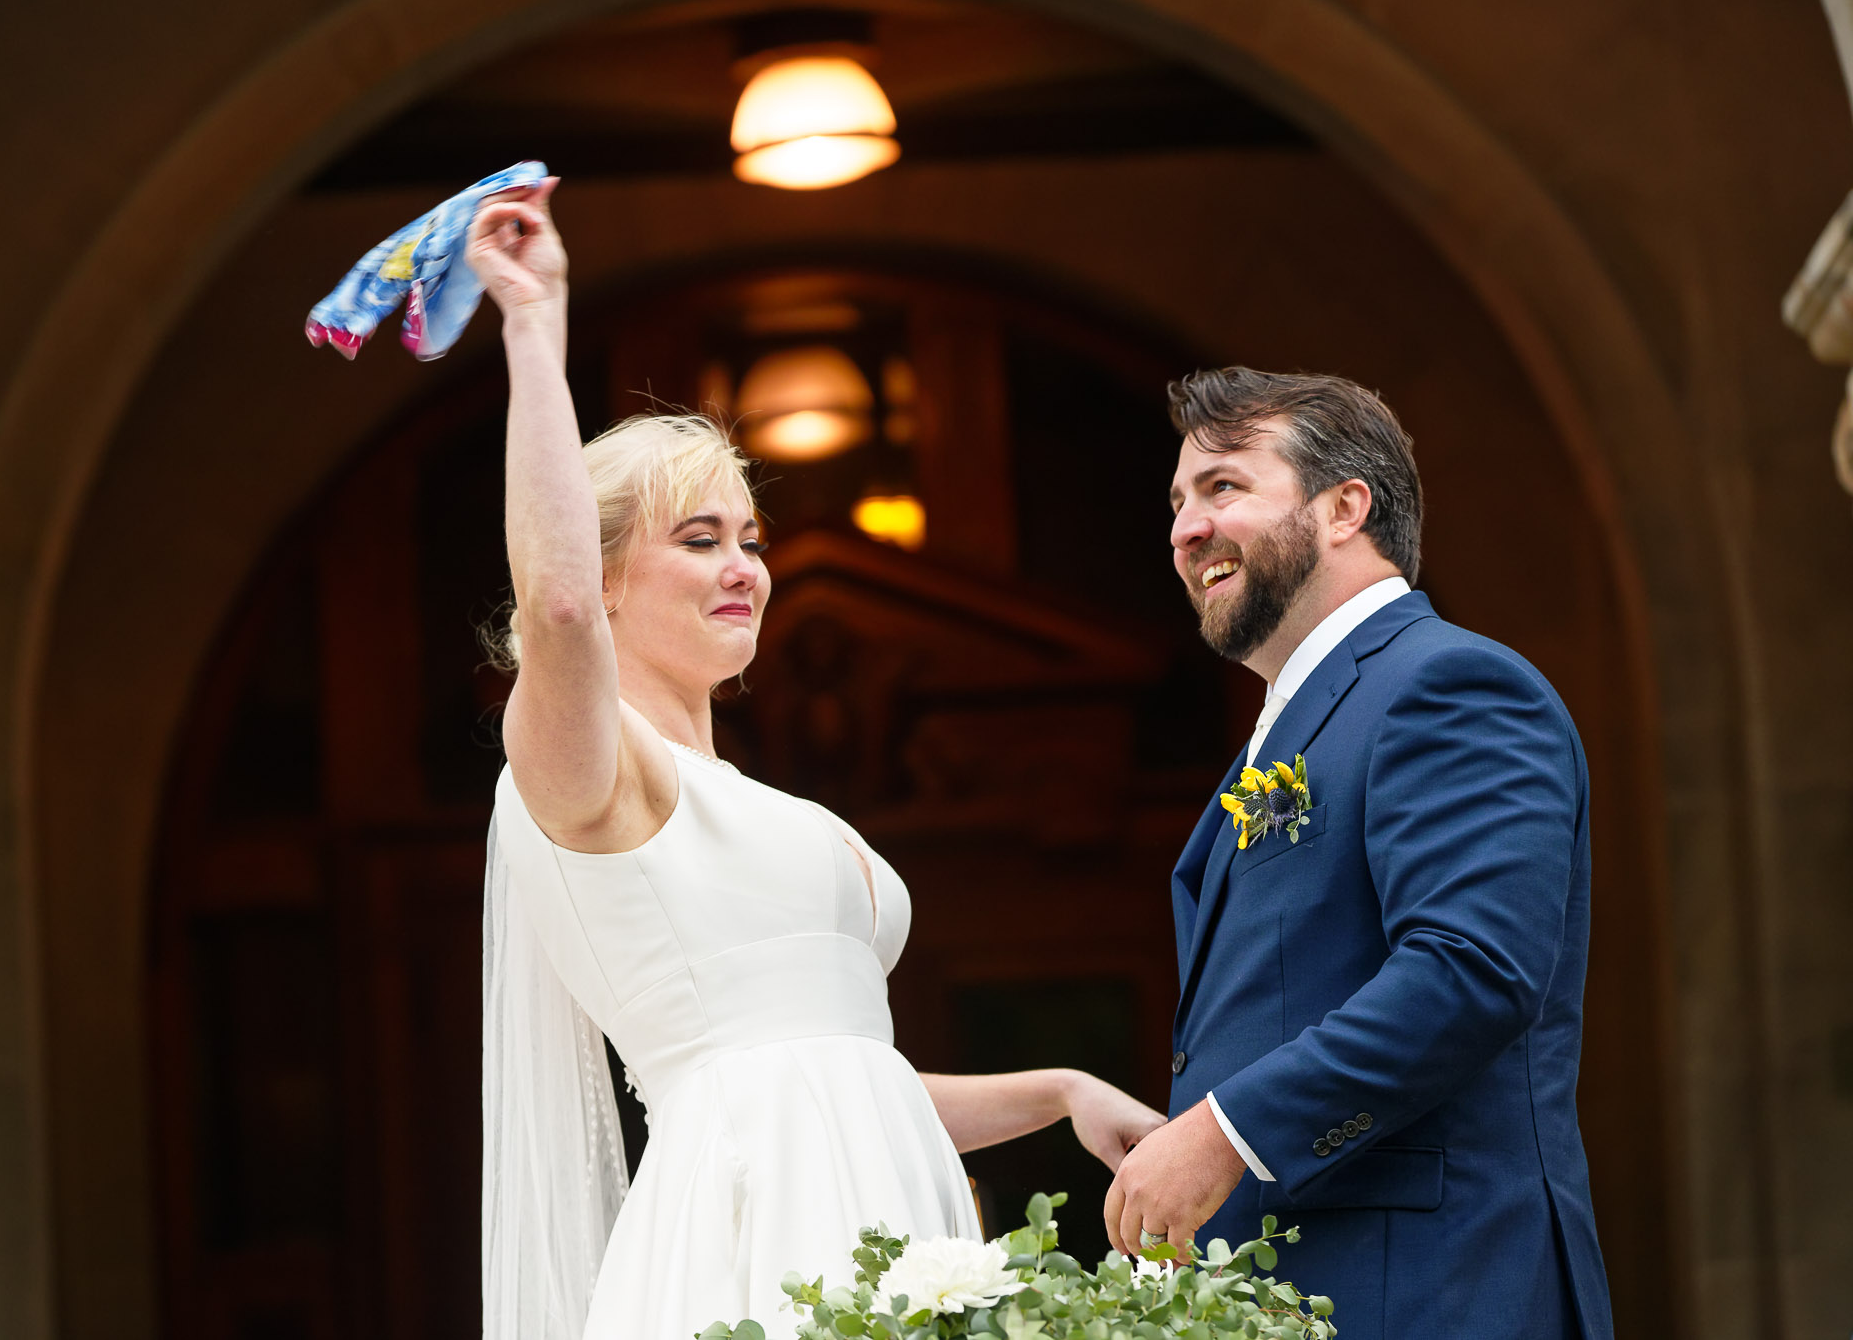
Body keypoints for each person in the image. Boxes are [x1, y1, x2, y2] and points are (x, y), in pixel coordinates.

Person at [468, 178, 1167, 1340]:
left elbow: (849, 1083)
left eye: (751, 539)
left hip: (892, 1228)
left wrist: (1061, 1093)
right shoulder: (598, 779)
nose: (744, 566)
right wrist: (534, 328)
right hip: (745, 1240)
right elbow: (550, 610)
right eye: (699, 541)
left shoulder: (752, 796)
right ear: (599, 578)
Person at [1102, 368, 1615, 1338]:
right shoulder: (1272, 746)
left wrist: (1224, 1131)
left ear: (1344, 507)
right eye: (1175, 502)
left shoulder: (1450, 685)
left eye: (1221, 488)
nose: (1182, 529)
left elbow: (1471, 971)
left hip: (1432, 1292)